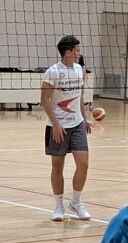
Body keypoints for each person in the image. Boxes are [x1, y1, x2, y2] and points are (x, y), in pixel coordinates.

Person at [42, 34, 102, 223]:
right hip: (58, 126)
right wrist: (56, 124)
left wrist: (84, 119)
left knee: (83, 164)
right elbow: (44, 100)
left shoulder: (79, 70)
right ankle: (58, 205)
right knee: (57, 166)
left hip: (77, 124)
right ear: (67, 52)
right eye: (77, 50)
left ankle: (75, 202)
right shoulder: (52, 72)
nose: (79, 53)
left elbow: (79, 97)